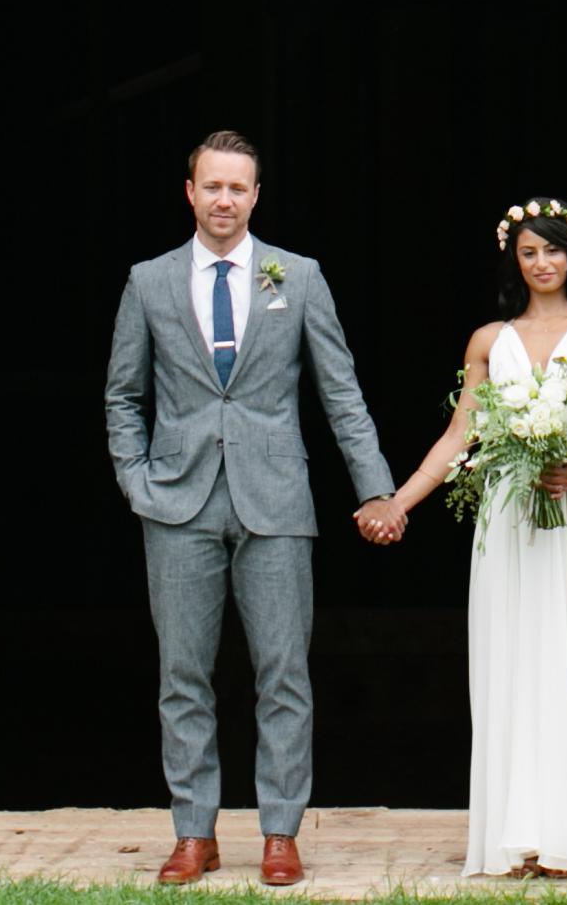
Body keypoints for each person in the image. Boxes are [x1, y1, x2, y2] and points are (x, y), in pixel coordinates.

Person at [102, 131, 407, 887]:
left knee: (283, 673)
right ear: (189, 192)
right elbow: (122, 394)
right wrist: (137, 482)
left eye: (238, 188)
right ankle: (192, 832)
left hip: (276, 500)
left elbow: (339, 390)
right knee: (183, 673)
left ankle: (279, 830)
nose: (224, 200)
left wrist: (374, 485)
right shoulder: (149, 280)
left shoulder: (295, 276)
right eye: (212, 186)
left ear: (256, 195)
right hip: (177, 501)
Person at [383, 200, 567, 879]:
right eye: (528, 252)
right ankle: (518, 834)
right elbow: (459, 434)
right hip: (510, 514)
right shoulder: (488, 340)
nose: (541, 262)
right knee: (514, 659)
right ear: (513, 261)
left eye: (552, 250)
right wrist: (397, 501)